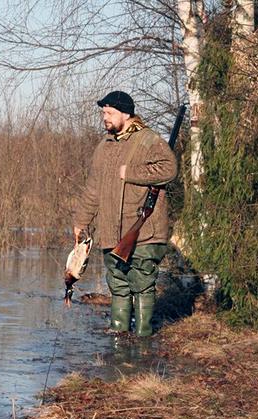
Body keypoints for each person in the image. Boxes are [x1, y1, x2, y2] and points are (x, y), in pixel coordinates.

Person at [72, 91, 178, 337]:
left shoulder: (148, 140)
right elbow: (92, 189)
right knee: (118, 284)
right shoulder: (104, 146)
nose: (104, 118)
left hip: (144, 231)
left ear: (126, 114)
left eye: (109, 113)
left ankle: (142, 341)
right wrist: (81, 221)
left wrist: (129, 172)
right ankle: (118, 338)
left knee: (142, 285)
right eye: (103, 113)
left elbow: (169, 168)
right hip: (111, 232)